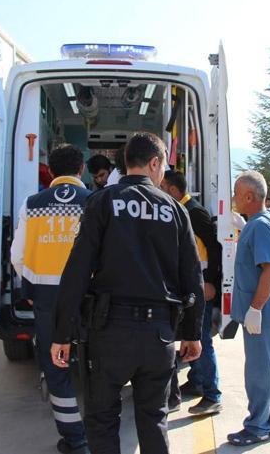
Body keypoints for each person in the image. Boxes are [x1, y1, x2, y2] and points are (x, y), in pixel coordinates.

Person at [50, 132, 204, 454]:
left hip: (109, 334)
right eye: (164, 165)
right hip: (159, 336)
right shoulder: (176, 210)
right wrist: (192, 332)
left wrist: (62, 333)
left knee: (103, 419)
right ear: (153, 163)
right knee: (153, 418)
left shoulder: (102, 201)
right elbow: (192, 278)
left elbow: (76, 271)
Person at [10, 144, 91, 453]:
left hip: (46, 300)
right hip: (89, 300)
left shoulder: (32, 204)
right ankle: (99, 429)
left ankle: (75, 439)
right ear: (80, 170)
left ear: (51, 172)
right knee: (96, 363)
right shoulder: (94, 201)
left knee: (56, 366)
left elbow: (18, 256)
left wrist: (30, 290)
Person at [227, 171, 270, 447]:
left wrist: (255, 308)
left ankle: (257, 426)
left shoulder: (261, 225)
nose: (233, 199)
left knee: (259, 371)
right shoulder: (264, 220)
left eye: (237, 194)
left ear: (249, 197)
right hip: (269, 312)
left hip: (261, 314)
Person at [160, 170, 223, 416]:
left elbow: (214, 249)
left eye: (163, 187)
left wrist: (209, 282)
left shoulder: (194, 213)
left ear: (174, 190)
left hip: (201, 286)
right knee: (192, 333)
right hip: (190, 285)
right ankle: (197, 381)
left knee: (201, 338)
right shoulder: (180, 211)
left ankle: (212, 394)